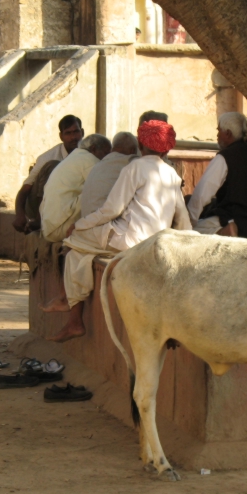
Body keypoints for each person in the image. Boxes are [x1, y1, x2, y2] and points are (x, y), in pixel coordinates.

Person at [40, 120, 192, 342]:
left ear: (141, 143)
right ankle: (73, 317)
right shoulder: (171, 173)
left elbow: (111, 210)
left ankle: (71, 309)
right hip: (153, 243)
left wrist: (80, 225)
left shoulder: (134, 168)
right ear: (166, 148)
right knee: (83, 253)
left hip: (127, 241)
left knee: (73, 242)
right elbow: (184, 221)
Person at [187, 112, 247, 239]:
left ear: (228, 134)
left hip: (238, 223)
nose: (217, 135)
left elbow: (201, 195)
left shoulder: (224, 157)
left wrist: (186, 225)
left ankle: (224, 231)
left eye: (219, 131)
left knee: (195, 230)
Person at [13, 115, 84, 232]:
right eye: (68, 133)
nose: (73, 137)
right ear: (61, 136)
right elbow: (25, 190)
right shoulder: (48, 157)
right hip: (36, 204)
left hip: (63, 204)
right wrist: (19, 215)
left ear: (82, 132)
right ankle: (40, 218)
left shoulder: (86, 154)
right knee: (54, 166)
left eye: (76, 132)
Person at [39, 134, 112, 243]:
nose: (107, 158)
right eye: (106, 153)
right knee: (102, 194)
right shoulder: (90, 160)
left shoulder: (74, 157)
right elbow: (105, 190)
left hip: (48, 229)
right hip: (60, 229)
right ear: (93, 149)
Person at [79, 131, 139, 218]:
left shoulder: (98, 164)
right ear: (133, 150)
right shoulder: (130, 162)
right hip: (102, 224)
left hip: (86, 221)